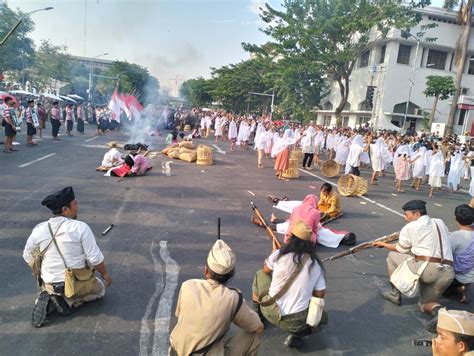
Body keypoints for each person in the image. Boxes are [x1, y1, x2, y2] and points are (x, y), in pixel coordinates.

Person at [22, 187, 112, 327]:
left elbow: (27, 256)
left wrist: (41, 273)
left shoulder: (38, 229)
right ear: (65, 209)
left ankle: (51, 297)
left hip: (50, 283)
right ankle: (70, 301)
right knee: (100, 290)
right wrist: (105, 275)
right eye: (75, 204)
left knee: (52, 287)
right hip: (75, 281)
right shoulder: (80, 228)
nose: (77, 207)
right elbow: (95, 259)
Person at [169, 239, 263, 355]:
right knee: (253, 336)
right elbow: (257, 327)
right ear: (231, 275)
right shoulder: (233, 297)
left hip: (177, 352)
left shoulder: (188, 285)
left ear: (206, 271)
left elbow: (180, 315)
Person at [373, 200, 454, 319]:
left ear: (417, 214)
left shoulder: (410, 227)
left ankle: (394, 294)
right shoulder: (439, 222)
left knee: (392, 256)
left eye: (406, 214)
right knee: (426, 304)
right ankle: (440, 313)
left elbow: (401, 249)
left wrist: (383, 244)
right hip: (447, 273)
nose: (405, 218)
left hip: (428, 270)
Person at [252, 220, 327, 349]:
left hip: (269, 310)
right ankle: (296, 336)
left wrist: (273, 255)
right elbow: (319, 295)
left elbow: (265, 270)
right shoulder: (315, 265)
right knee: (323, 319)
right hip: (296, 323)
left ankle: (258, 316)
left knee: (259, 274)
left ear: (291, 238)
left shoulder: (280, 254)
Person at [444, 204, 474, 304]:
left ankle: (458, 288)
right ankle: (464, 286)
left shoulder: (456, 236)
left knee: (443, 291)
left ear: (456, 219)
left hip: (459, 273)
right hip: (471, 272)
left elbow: (446, 254)